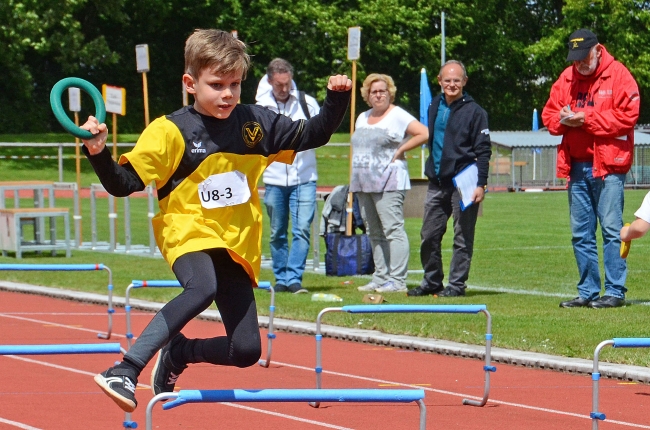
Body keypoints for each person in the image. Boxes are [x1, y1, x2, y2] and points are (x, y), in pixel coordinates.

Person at [82, 29, 351, 412]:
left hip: (235, 243)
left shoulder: (255, 123)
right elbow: (124, 183)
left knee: (245, 350)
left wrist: (337, 98)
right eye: (216, 85)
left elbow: (315, 133)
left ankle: (180, 352)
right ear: (190, 83)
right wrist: (97, 152)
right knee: (201, 287)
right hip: (187, 232)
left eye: (235, 84)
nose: (227, 94)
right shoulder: (169, 131)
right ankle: (125, 368)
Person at [542, 29, 640, 309]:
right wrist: (564, 121)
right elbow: (550, 116)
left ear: (598, 50)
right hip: (576, 166)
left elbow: (627, 117)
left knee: (611, 229)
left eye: (585, 57)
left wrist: (586, 118)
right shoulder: (567, 77)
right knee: (580, 233)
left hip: (608, 167)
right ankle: (587, 291)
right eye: (575, 59)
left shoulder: (619, 75)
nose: (580, 64)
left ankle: (615, 291)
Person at [408, 60, 491, 298]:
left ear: (464, 82)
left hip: (463, 182)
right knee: (428, 235)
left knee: (462, 237)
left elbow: (484, 151)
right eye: (447, 80)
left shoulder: (476, 112)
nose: (452, 84)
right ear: (439, 81)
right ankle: (432, 281)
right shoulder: (434, 104)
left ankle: (456, 286)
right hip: (436, 182)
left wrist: (480, 184)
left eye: (457, 80)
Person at [351, 74, 429, 293]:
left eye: (382, 91)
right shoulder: (362, 117)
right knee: (373, 231)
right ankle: (380, 277)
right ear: (367, 95)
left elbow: (423, 133)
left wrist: (401, 149)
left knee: (393, 229)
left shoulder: (397, 115)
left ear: (390, 93)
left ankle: (397, 280)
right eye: (374, 91)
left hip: (389, 180)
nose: (378, 95)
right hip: (363, 183)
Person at [256, 58, 320, 294]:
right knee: (276, 232)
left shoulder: (307, 103)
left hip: (304, 176)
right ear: (270, 81)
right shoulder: (261, 106)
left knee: (302, 228)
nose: (284, 89)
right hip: (273, 179)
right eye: (279, 85)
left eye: (287, 83)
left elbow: (321, 131)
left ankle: (294, 278)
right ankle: (281, 278)